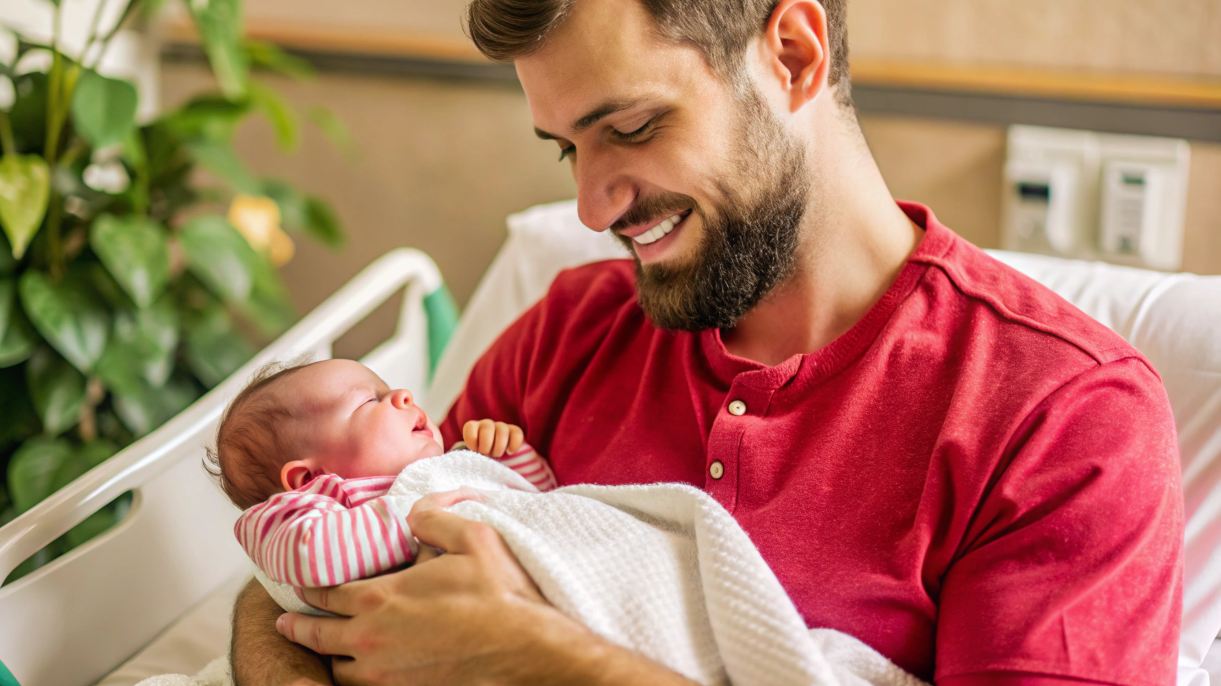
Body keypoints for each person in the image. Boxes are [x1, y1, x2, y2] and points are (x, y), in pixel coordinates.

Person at [231, 0, 1185, 684]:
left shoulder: (1062, 416)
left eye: (631, 126)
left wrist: (552, 663)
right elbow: (302, 583)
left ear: (793, 56)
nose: (590, 205)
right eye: (567, 148)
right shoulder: (567, 330)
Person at [206, 358, 556, 590]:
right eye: (369, 401)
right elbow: (305, 553)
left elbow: (547, 501)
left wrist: (509, 455)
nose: (404, 395)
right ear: (308, 480)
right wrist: (417, 516)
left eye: (388, 389)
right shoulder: (327, 510)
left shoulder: (459, 459)